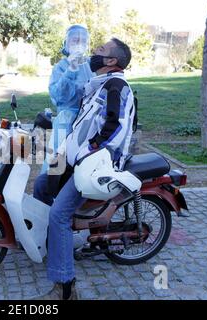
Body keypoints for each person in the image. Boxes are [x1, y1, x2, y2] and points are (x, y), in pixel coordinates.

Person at [32, 38, 135, 300]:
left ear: (112, 61)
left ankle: (65, 287)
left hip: (94, 163)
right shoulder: (97, 86)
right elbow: (81, 121)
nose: (93, 53)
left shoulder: (117, 87)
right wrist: (64, 151)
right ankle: (50, 245)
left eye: (100, 51)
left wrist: (86, 152)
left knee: (59, 215)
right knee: (41, 185)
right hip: (72, 155)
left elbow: (116, 129)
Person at [42, 24, 94, 172]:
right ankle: (49, 191)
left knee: (82, 161)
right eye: (75, 40)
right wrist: (71, 70)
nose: (79, 44)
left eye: (83, 41)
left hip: (88, 120)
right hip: (66, 121)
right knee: (56, 163)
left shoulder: (91, 66)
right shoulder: (61, 67)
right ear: (66, 43)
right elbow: (59, 96)